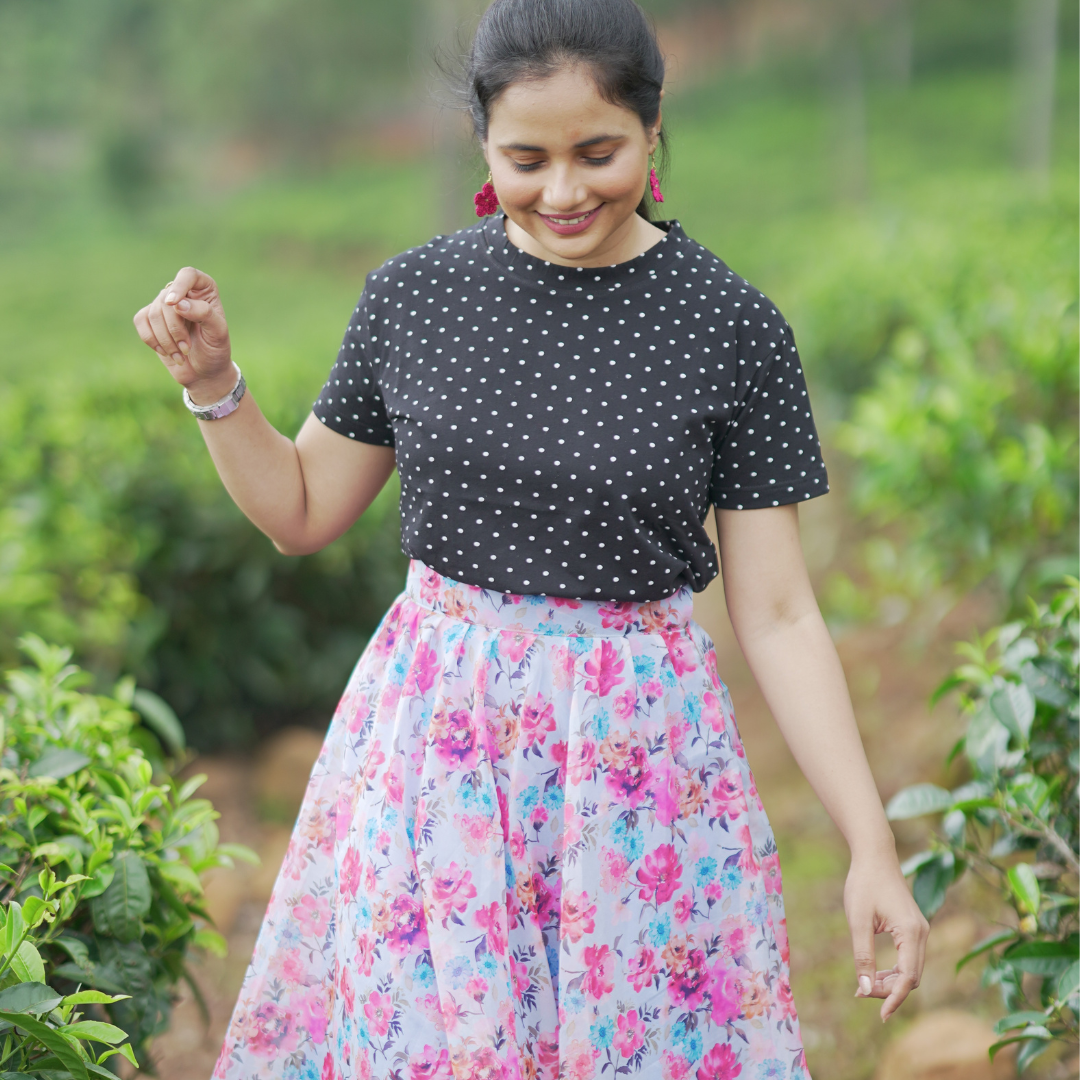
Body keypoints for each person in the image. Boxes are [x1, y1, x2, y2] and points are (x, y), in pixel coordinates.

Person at [133, 1, 928, 1077]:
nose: (564, 191)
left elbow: (780, 614)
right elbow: (304, 510)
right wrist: (214, 387)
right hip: (438, 756)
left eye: (598, 152)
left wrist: (869, 844)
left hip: (639, 766)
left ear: (653, 132)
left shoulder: (731, 329)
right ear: (482, 143)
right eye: (527, 158)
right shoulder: (414, 297)